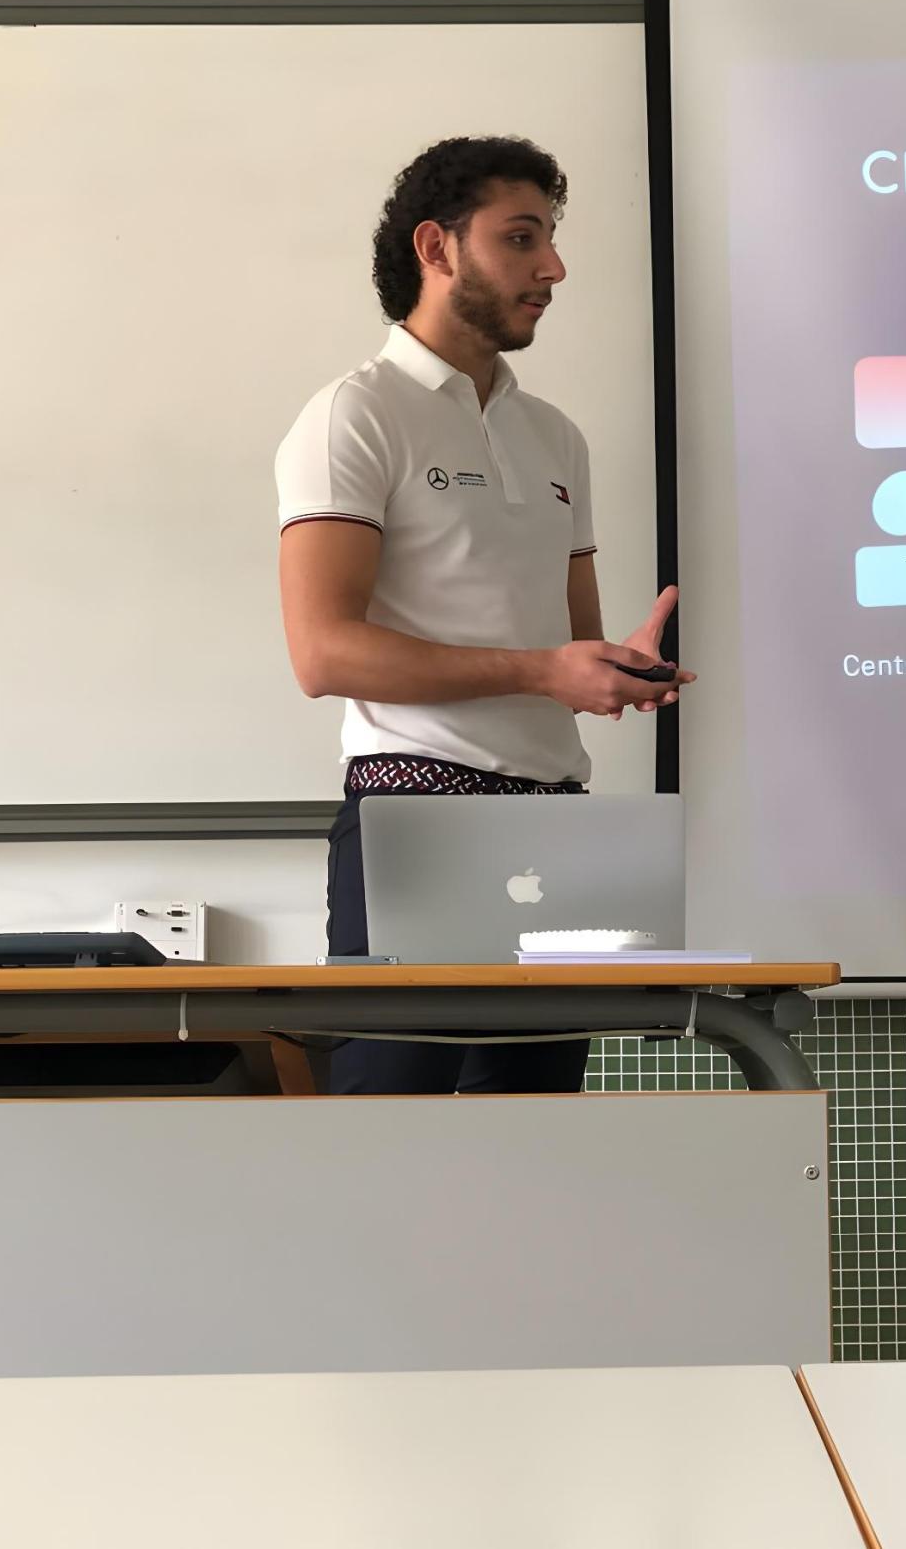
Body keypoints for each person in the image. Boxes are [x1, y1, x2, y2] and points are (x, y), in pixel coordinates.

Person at [275, 135, 693, 1096]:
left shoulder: (555, 436)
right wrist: (545, 671)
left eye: (549, 239)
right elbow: (322, 653)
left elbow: (567, 647)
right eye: (520, 238)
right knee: (391, 1146)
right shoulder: (354, 414)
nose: (553, 268)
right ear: (437, 247)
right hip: (415, 818)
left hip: (556, 829)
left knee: (533, 1147)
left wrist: (614, 669)